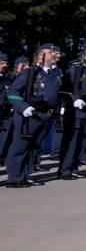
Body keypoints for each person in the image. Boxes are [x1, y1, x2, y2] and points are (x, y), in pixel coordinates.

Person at [6, 44, 64, 187]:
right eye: (49, 52)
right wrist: (24, 107)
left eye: (54, 52)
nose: (54, 54)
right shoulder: (30, 72)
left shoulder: (56, 74)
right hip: (29, 116)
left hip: (45, 116)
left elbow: (57, 95)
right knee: (20, 147)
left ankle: (25, 176)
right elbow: (13, 93)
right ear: (40, 56)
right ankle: (14, 179)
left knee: (34, 148)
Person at [60, 47, 86, 178]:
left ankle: (74, 168)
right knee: (72, 141)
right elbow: (65, 89)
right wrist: (74, 100)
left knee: (82, 142)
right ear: (85, 57)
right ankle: (65, 171)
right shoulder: (75, 71)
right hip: (76, 110)